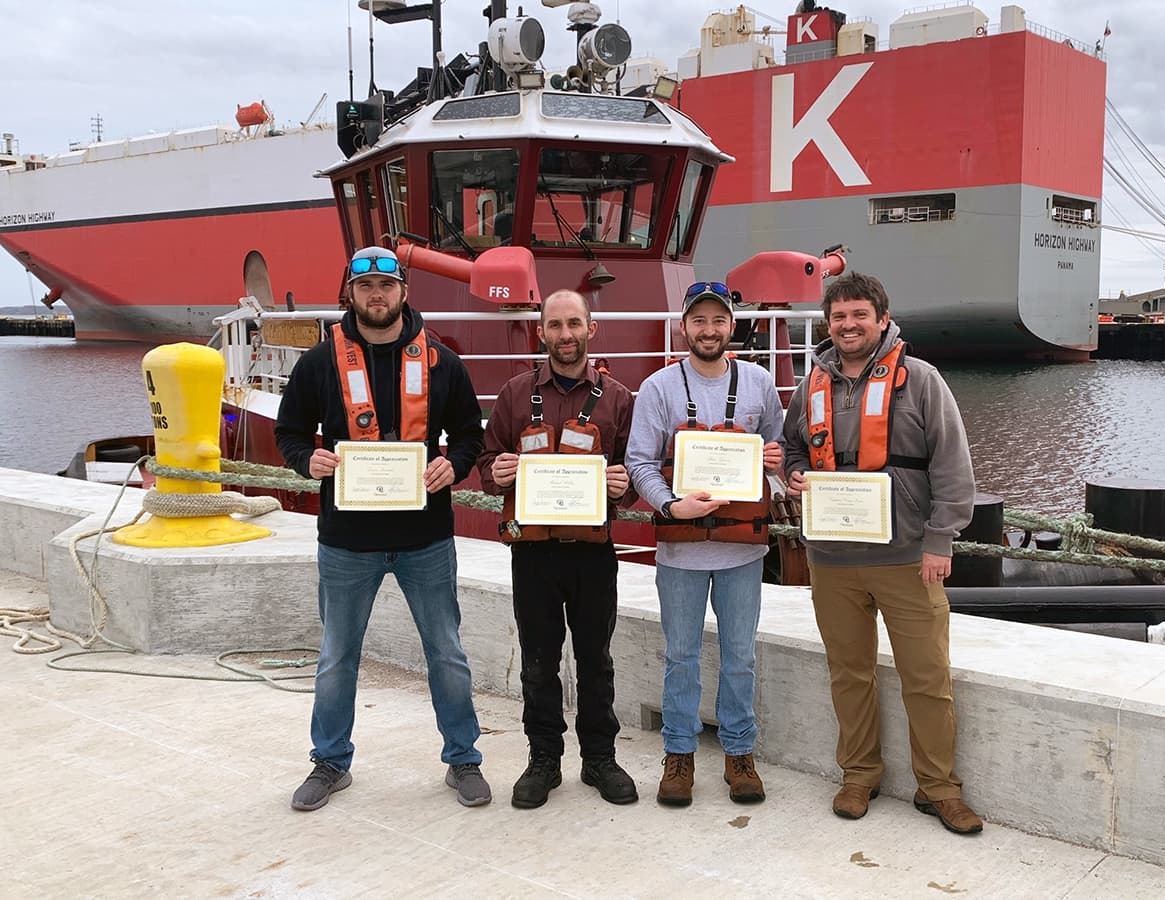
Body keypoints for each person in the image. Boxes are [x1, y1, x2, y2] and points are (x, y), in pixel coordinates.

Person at [276, 245, 491, 811]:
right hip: (347, 543)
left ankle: (464, 759)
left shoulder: (442, 361)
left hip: (426, 539)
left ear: (403, 293)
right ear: (350, 292)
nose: (377, 297)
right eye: (366, 287)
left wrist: (455, 463)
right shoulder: (320, 363)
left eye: (387, 287)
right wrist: (308, 461)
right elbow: (290, 432)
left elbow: (471, 433)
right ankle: (329, 762)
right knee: (336, 657)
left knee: (446, 653)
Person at [782, 271, 983, 834]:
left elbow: (952, 465)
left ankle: (939, 788)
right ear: (828, 323)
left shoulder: (921, 380)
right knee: (849, 674)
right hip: (831, 559)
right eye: (838, 316)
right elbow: (793, 450)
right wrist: (793, 475)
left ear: (881, 318)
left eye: (858, 315)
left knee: (926, 676)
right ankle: (859, 774)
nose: (848, 325)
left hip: (906, 557)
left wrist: (941, 538)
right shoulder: (809, 385)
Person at [477, 289, 639, 809]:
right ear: (541, 332)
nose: (565, 334)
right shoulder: (514, 393)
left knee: (597, 660)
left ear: (592, 329)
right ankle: (543, 759)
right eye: (555, 325)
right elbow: (488, 460)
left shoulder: (618, 398)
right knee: (538, 662)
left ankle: (599, 759)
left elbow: (634, 472)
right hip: (534, 555)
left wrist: (623, 485)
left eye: (574, 324)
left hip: (593, 554)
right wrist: (495, 471)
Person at [626, 282, 785, 807]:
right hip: (681, 552)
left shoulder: (761, 384)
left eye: (719, 320)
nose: (709, 329)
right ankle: (679, 754)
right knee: (681, 656)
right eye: (699, 320)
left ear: (731, 325)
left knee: (740, 656)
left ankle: (740, 753)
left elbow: (781, 455)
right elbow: (639, 462)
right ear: (684, 326)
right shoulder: (657, 387)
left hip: (743, 552)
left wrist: (775, 463)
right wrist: (670, 506)